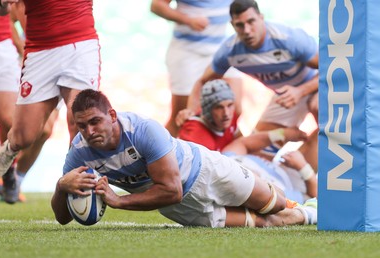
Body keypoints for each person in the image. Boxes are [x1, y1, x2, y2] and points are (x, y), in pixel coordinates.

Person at [51, 89, 317, 228]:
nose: (89, 131)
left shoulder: (143, 131)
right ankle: (310, 214)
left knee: (275, 203)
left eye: (95, 122)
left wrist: (119, 200)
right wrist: (61, 187)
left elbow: (172, 190)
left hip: (206, 171)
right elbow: (63, 218)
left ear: (111, 115)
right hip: (181, 208)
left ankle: (306, 207)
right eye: (81, 126)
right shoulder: (79, 153)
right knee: (263, 224)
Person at [186, 0, 319, 170]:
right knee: (256, 157)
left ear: (261, 18)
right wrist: (190, 111)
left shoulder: (288, 38)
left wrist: (301, 91)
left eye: (251, 22)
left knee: (318, 107)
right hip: (285, 96)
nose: (247, 30)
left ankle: (324, 177)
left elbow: (330, 67)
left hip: (316, 85)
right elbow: (203, 81)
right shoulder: (230, 52)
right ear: (232, 25)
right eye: (240, 25)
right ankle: (299, 184)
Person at [0, 0, 101, 186]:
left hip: (81, 45)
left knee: (80, 118)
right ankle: (12, 146)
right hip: (40, 51)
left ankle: (80, 182)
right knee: (25, 136)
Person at [178, 79, 316, 202]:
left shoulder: (229, 155)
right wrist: (304, 168)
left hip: (275, 170)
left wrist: (282, 134)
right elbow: (314, 199)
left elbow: (243, 143)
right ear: (207, 110)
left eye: (229, 105)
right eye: (219, 107)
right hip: (293, 182)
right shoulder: (196, 135)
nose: (226, 113)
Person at [150, 0, 244, 137]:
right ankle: (155, 155)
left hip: (220, 49)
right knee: (183, 116)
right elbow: (156, 5)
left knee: (233, 110)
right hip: (188, 51)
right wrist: (188, 20)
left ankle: (232, 154)